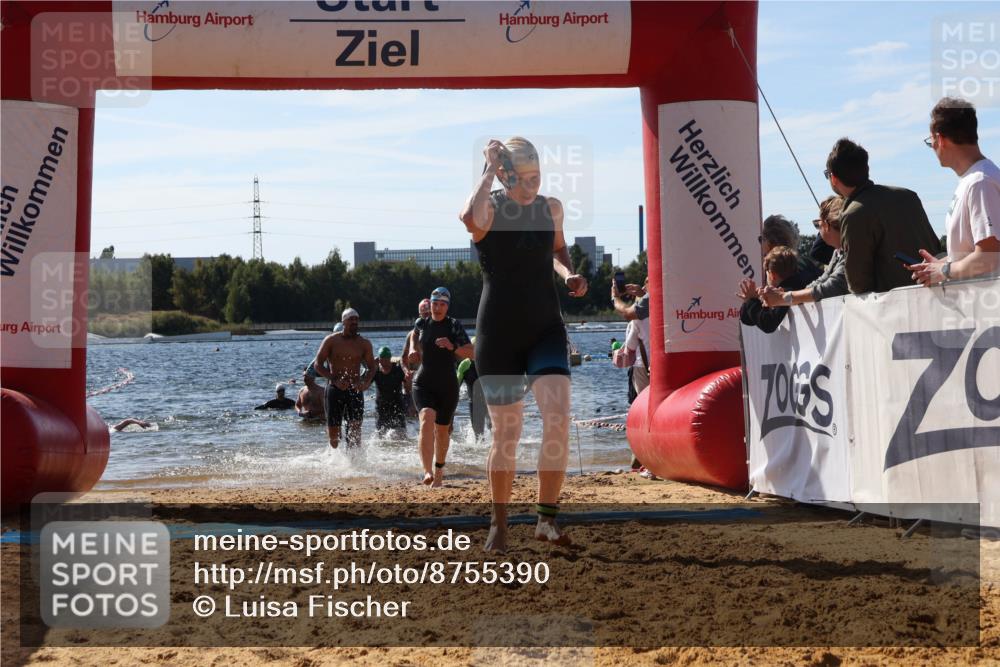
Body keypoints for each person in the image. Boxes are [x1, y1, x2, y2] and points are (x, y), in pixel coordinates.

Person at [460, 136, 588, 551]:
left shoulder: (551, 208)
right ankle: (498, 524)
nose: (533, 186)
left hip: (545, 328)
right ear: (505, 175)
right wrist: (487, 169)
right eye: (524, 178)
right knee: (507, 434)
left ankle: (546, 519)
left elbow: (557, 248)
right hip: (498, 335)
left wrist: (567, 273)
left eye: (538, 177)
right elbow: (468, 217)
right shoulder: (490, 208)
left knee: (558, 417)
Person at [823, 137, 941, 293]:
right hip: (938, 292)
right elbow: (935, 247)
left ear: (833, 178)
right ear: (866, 169)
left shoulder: (853, 214)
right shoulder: (908, 196)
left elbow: (858, 283)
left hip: (896, 302)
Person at [909, 97, 1000, 285]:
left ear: (940, 139)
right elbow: (974, 253)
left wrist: (944, 270)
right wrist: (940, 265)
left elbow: (989, 258)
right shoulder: (975, 179)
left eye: (931, 141)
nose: (932, 147)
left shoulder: (979, 182)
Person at [408, 287, 473, 487]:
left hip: (447, 385)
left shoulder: (453, 325)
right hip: (423, 382)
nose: (437, 308)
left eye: (442, 304)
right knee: (426, 418)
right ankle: (427, 471)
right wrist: (412, 349)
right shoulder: (422, 323)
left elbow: (472, 352)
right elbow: (414, 336)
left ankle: (438, 471)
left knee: (442, 431)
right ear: (431, 304)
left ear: (447, 306)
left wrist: (452, 346)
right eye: (435, 304)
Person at [756, 196, 848, 310]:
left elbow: (830, 287)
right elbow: (821, 281)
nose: (818, 231)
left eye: (817, 224)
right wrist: (786, 296)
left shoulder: (849, 253)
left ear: (826, 225)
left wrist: (783, 297)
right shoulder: (838, 252)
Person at [313, 308, 375, 449]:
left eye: (356, 320)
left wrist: (365, 382)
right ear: (343, 322)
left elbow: (372, 367)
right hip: (335, 389)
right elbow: (317, 365)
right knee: (334, 440)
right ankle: (334, 454)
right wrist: (334, 380)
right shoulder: (331, 340)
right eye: (351, 319)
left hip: (355, 389)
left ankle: (353, 460)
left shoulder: (364, 343)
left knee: (355, 433)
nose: (354, 322)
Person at [739, 246, 803, 332]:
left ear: (772, 275)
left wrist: (751, 300)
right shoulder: (796, 284)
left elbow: (768, 324)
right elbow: (748, 320)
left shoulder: (786, 291)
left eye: (766, 273)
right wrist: (753, 301)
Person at [760, 214, 822, 284]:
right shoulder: (807, 265)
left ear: (771, 243)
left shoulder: (779, 272)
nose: (760, 244)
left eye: (761, 239)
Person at [401, 298, 431, 419]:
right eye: (424, 315)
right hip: (416, 382)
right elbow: (403, 359)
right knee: (412, 413)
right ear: (420, 315)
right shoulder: (411, 335)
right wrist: (406, 372)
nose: (427, 318)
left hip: (432, 380)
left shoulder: (440, 332)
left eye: (429, 314)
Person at [372, 346, 407, 437]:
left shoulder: (398, 369)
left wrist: (410, 404)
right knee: (380, 436)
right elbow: (365, 385)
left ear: (390, 358)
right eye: (382, 358)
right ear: (379, 359)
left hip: (397, 407)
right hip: (381, 408)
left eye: (387, 359)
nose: (384, 361)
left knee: (400, 435)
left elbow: (408, 386)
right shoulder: (376, 370)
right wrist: (372, 368)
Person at [457, 354, 490, 439]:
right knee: (478, 437)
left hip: (491, 402)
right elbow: (455, 388)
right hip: (474, 404)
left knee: (497, 431)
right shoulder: (465, 364)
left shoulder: (490, 361)